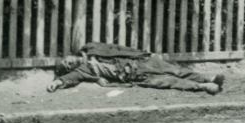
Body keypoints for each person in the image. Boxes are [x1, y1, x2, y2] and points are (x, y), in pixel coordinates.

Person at [47, 42, 225, 94]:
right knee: (168, 81)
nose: (69, 63)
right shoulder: (83, 71)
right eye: (67, 66)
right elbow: (69, 79)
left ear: (69, 55)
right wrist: (57, 82)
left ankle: (207, 78)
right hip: (134, 76)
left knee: (176, 70)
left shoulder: (91, 47)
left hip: (140, 61)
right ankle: (203, 87)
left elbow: (117, 48)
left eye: (67, 60)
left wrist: (141, 53)